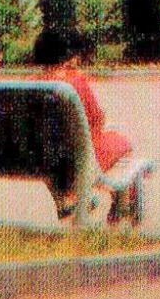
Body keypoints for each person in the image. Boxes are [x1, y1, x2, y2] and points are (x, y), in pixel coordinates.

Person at [33, 28, 133, 220]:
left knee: (62, 153)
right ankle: (120, 201)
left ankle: (69, 199)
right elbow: (96, 119)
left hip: (43, 160)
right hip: (80, 158)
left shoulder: (31, 83)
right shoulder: (75, 81)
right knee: (121, 142)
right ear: (70, 55)